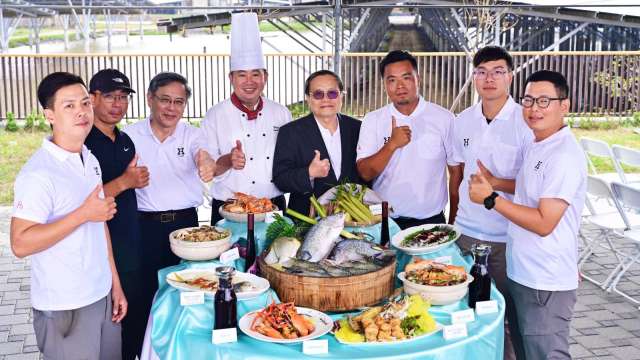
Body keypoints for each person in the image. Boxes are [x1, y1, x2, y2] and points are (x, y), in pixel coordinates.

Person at [469, 70, 586, 360]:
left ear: (565, 106)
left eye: (544, 101)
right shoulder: (540, 142)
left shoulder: (563, 155)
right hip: (524, 271)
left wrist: (491, 199)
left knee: (545, 354)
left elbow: (545, 222)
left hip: (544, 280)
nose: (534, 108)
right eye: (529, 100)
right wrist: (496, 182)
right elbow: (531, 189)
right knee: (525, 352)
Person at [10, 72, 126, 359]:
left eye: (85, 103)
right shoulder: (38, 173)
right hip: (65, 304)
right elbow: (20, 244)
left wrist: (115, 283)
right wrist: (83, 214)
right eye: (69, 106)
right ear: (49, 114)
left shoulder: (89, 158)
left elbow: (100, 225)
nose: (81, 112)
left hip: (101, 294)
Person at [450, 46, 534, 360]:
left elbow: (534, 187)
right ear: (473, 77)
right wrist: (453, 219)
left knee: (507, 317)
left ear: (510, 77)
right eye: (482, 71)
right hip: (466, 234)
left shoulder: (526, 121)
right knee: (466, 311)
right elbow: (457, 174)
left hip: (508, 237)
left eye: (498, 71)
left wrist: (495, 184)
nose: (489, 79)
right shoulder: (462, 120)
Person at [123, 72, 216, 330]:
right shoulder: (129, 136)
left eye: (179, 102)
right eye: (165, 100)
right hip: (143, 227)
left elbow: (203, 155)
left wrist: (207, 163)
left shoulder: (192, 135)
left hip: (186, 227)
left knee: (185, 291)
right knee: (142, 295)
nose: (171, 108)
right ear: (149, 99)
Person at [202, 12, 292, 225]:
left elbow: (290, 160)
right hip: (229, 207)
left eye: (255, 74)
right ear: (231, 78)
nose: (249, 81)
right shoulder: (214, 115)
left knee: (275, 258)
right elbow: (209, 169)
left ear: (265, 77)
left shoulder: (281, 113)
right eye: (241, 74)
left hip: (273, 207)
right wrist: (228, 160)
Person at [356, 50, 461, 229]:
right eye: (392, 80)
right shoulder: (373, 119)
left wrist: (453, 223)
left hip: (431, 222)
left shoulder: (445, 118)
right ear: (384, 85)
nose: (400, 86)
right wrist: (391, 145)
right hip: (383, 222)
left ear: (417, 79)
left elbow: (456, 173)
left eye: (406, 77)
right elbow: (365, 172)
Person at [85, 69, 149, 360]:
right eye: (109, 96)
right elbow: (82, 205)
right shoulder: (83, 143)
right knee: (111, 323)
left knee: (135, 316)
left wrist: (135, 180)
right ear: (92, 98)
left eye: (123, 97)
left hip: (131, 241)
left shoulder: (125, 140)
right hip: (98, 248)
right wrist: (125, 181)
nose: (117, 104)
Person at [273, 70, 364, 215]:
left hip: (353, 220)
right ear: (308, 99)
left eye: (332, 93)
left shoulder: (358, 128)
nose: (326, 99)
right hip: (306, 221)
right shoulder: (290, 132)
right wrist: (308, 173)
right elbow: (280, 179)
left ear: (341, 96)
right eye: (318, 94)